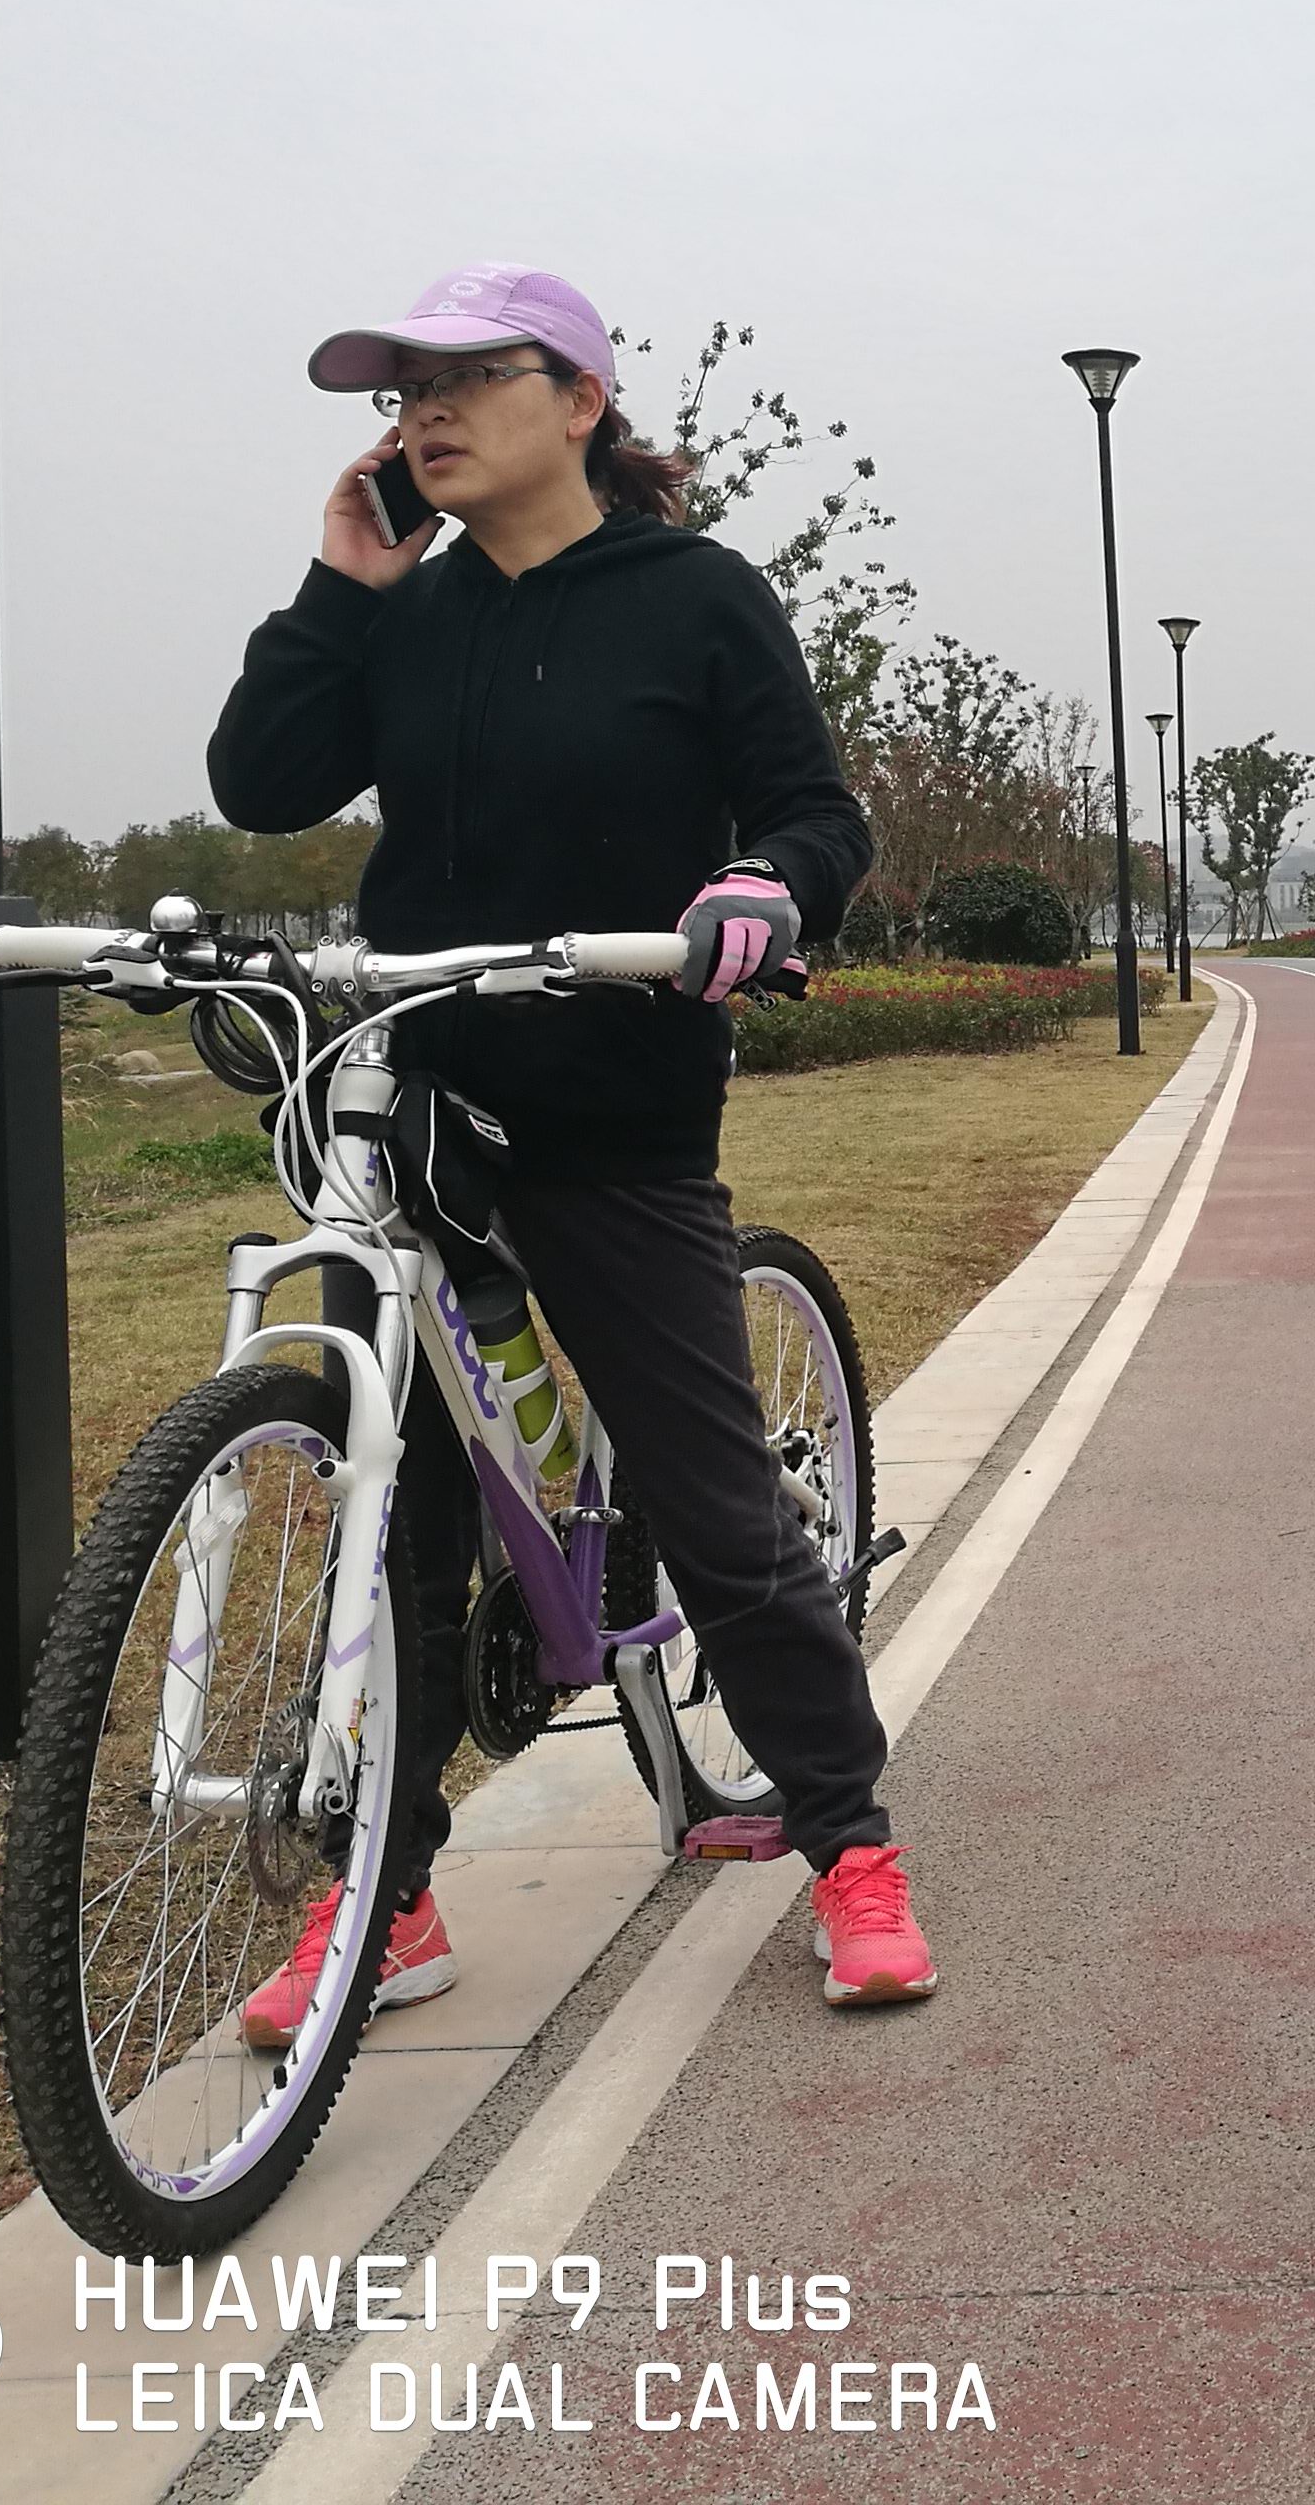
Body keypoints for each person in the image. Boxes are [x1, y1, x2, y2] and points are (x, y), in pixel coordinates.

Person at [205, 259, 935, 2029]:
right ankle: (388, 1895)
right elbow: (258, 780)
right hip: (408, 1111)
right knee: (406, 1514)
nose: (424, 412)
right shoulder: (407, 608)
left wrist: (770, 885)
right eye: (404, 389)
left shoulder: (694, 597)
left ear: (583, 403)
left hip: (611, 1109)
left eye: (474, 375)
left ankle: (846, 1845)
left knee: (715, 1507)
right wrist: (337, 582)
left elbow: (814, 809)